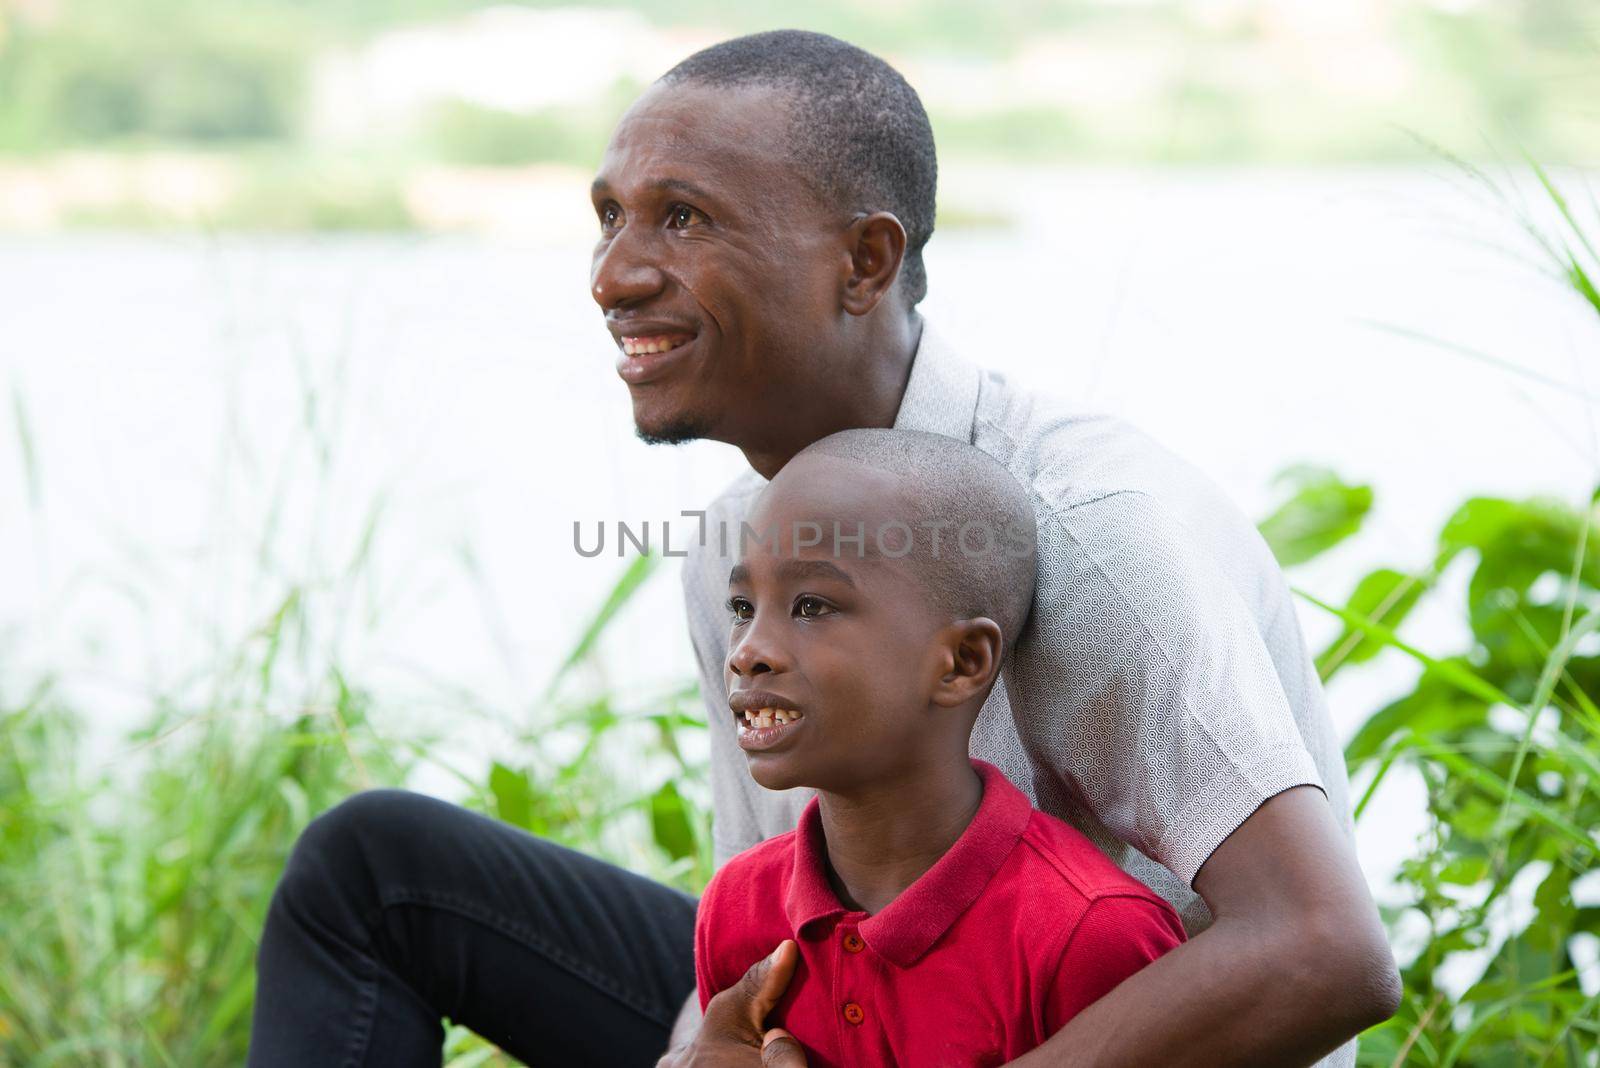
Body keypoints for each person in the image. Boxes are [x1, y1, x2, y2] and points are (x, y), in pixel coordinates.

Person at [247, 29, 1400, 1068]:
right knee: (376, 870)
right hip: (866, 1011)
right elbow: (768, 935)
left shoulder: (1086, 531)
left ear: (863, 262)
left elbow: (1319, 950)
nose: (613, 278)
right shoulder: (736, 553)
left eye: (684, 219)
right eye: (610, 217)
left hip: (1091, 1026)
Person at [696, 427, 1188, 1068]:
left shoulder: (1090, 935)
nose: (746, 652)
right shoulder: (738, 907)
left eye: (811, 606)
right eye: (741, 606)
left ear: (960, 662)